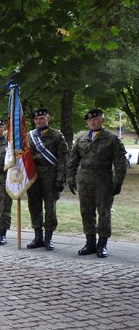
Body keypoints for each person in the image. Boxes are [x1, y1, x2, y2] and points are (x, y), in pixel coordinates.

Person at [66, 108, 126, 258]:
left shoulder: (111, 139)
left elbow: (120, 163)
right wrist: (71, 178)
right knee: (86, 212)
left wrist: (117, 182)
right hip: (84, 180)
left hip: (103, 181)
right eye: (90, 120)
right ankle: (90, 243)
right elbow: (72, 160)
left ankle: (102, 244)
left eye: (96, 119)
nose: (93, 122)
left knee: (104, 212)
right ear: (87, 122)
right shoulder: (81, 138)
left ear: (102, 120)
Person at [26, 107, 68, 251]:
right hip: (33, 175)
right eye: (37, 119)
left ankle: (48, 238)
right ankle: (38, 237)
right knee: (34, 205)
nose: (39, 121)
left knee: (50, 207)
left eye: (42, 118)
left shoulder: (57, 135)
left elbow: (63, 158)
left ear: (48, 119)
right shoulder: (29, 136)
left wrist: (60, 179)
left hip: (50, 175)